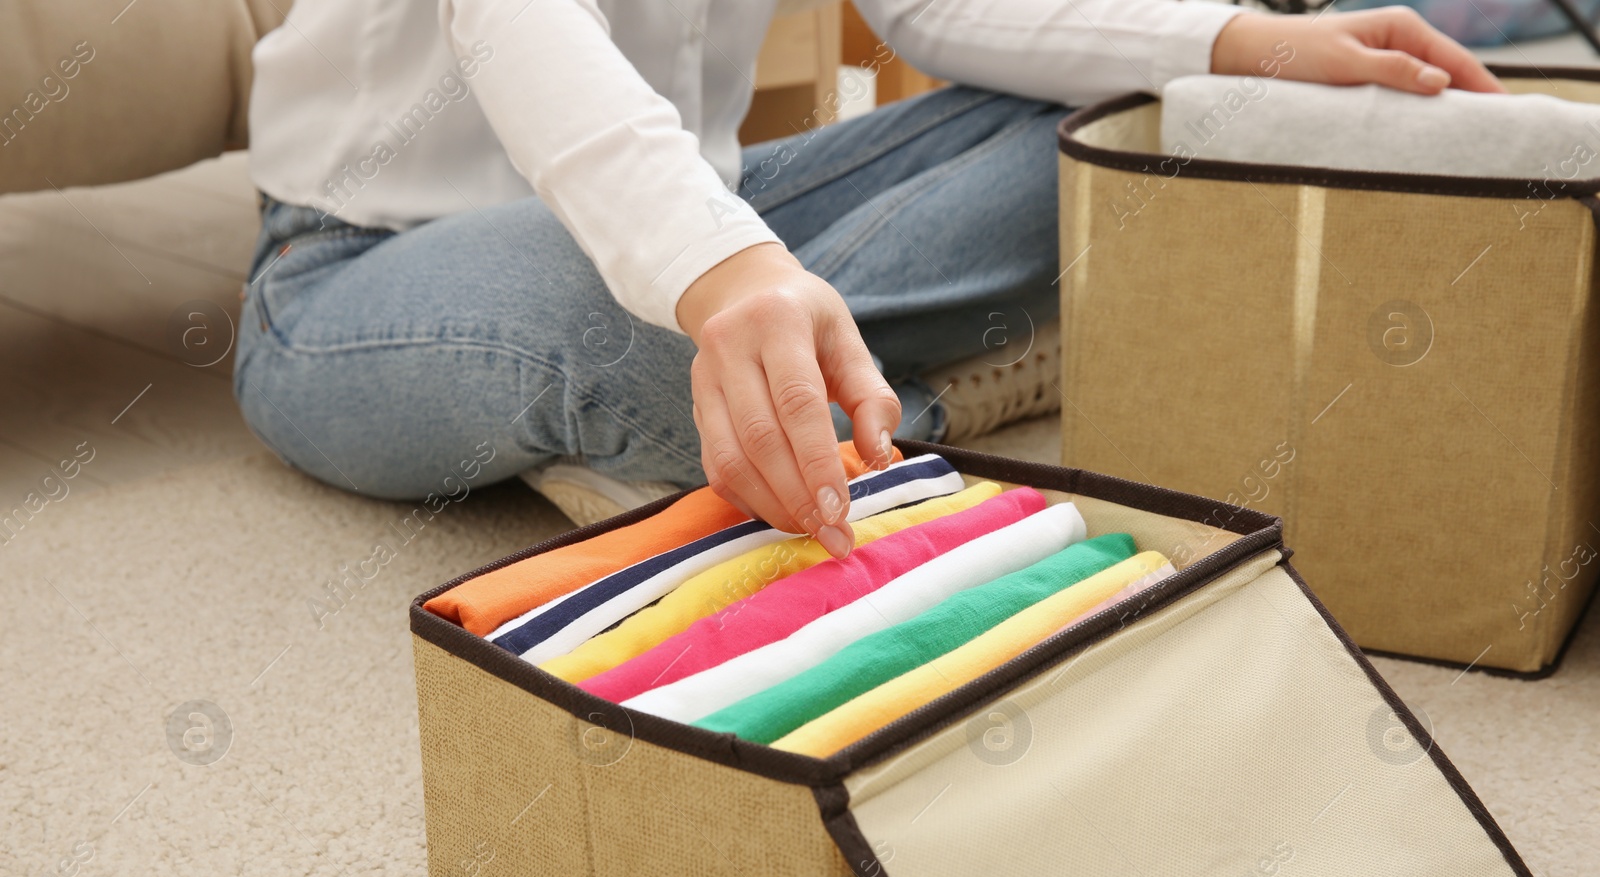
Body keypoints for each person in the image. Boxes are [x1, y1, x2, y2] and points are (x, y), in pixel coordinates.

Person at [238, 0, 1501, 557]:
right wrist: (724, 280)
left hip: (709, 209)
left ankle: (807, 358)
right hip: (363, 262)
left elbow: (938, 7)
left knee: (1112, 125)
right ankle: (895, 384)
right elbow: (517, 19)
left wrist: (1245, 43)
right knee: (621, 305)